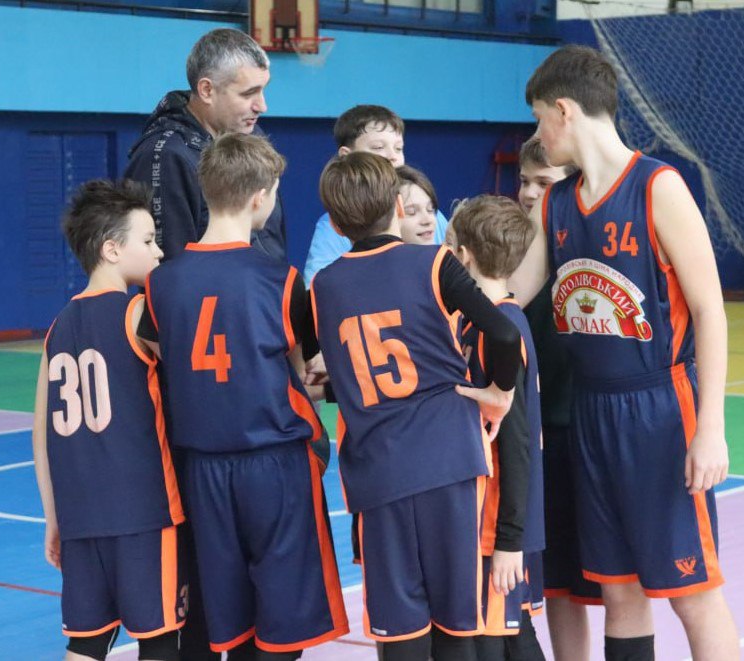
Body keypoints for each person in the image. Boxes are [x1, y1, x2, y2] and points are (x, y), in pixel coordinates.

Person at [509, 45, 738, 661]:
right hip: (592, 412)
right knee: (619, 590)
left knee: (693, 592)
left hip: (661, 408)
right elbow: (511, 296)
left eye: (539, 120)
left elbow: (711, 311)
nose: (538, 135)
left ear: (564, 111)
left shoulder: (658, 187)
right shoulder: (556, 203)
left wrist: (710, 427)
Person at [138, 134, 348, 659]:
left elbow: (157, 354)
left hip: (201, 470)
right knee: (282, 626)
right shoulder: (282, 280)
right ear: (261, 196)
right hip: (274, 465)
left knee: (223, 621)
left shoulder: (160, 283)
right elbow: (302, 369)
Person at [309, 152, 522, 661]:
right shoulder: (434, 262)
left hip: (378, 470)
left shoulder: (323, 287)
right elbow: (504, 333)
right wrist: (501, 392)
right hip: (449, 460)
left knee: (401, 631)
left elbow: (335, 371)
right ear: (398, 208)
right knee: (456, 625)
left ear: (335, 224)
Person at [32, 179, 187, 661]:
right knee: (159, 640)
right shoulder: (139, 313)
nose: (159, 251)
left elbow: (41, 437)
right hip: (144, 513)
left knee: (87, 641)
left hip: (80, 518)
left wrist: (54, 518)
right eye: (148, 240)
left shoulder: (57, 328)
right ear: (111, 249)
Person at [517, 136, 605, 661]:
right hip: (535, 434)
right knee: (554, 580)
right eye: (525, 181)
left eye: (543, 183)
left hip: (587, 428)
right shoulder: (508, 254)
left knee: (611, 575)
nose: (530, 193)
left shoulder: (587, 251)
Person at [448, 196, 548, 661]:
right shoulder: (488, 320)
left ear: (463, 256)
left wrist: (510, 541)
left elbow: (517, 441)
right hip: (492, 519)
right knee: (510, 635)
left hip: (497, 523)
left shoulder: (500, 329)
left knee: (498, 640)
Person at [124, 28, 286, 261]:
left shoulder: (253, 138)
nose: (262, 106)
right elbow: (166, 269)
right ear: (207, 90)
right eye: (248, 94)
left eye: (263, 90)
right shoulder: (165, 156)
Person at [302, 105, 449, 284]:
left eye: (398, 148)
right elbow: (316, 287)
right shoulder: (335, 225)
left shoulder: (432, 217)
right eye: (378, 147)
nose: (392, 156)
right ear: (346, 156)